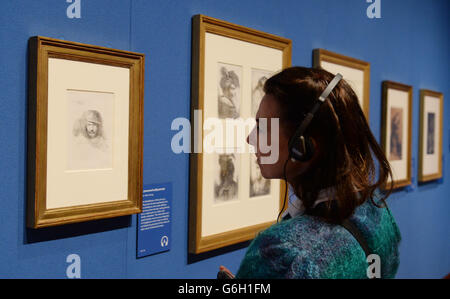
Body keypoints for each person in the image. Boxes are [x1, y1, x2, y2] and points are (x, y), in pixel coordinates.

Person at [219, 66, 401, 279]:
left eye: (263, 128)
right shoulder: (377, 211)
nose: (250, 138)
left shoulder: (282, 254)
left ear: (303, 147)